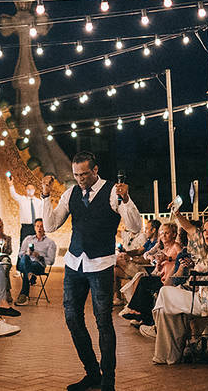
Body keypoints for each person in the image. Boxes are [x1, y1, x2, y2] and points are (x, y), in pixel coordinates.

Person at [42, 151, 143, 391]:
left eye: (84, 174)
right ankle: (92, 373)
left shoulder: (112, 192)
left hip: (101, 265)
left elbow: (135, 226)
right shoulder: (71, 193)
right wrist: (45, 197)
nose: (80, 179)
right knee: (72, 319)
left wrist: (126, 199)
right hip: (74, 264)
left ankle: (108, 380)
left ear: (95, 170)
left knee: (103, 323)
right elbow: (50, 225)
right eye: (76, 174)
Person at [140, 213, 208, 367]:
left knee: (165, 293)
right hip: (201, 297)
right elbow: (192, 231)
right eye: (205, 230)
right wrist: (177, 214)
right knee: (166, 311)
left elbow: (202, 267)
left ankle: (159, 333)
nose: (205, 233)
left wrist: (195, 265)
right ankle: (168, 357)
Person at [119, 223, 181, 326]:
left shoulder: (176, 246)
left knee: (144, 281)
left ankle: (137, 311)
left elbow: (182, 258)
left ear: (174, 234)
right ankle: (142, 316)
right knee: (143, 280)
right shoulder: (163, 248)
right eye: (161, 233)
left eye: (166, 233)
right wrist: (157, 262)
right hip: (161, 276)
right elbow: (147, 255)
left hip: (170, 280)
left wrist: (168, 259)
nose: (163, 235)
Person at [114, 220, 161, 305]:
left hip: (146, 269)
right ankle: (118, 298)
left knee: (117, 260)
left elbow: (148, 260)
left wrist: (130, 259)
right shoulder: (149, 241)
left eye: (147, 228)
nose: (145, 231)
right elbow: (139, 251)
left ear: (153, 230)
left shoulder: (157, 243)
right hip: (139, 267)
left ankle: (105, 297)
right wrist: (126, 253)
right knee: (114, 270)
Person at [15, 218, 57, 306]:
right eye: (37, 226)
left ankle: (24, 294)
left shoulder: (50, 243)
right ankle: (30, 275)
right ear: (34, 227)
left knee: (27, 267)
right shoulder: (28, 239)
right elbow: (20, 254)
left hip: (38, 265)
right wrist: (27, 253)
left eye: (41, 226)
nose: (39, 228)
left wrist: (39, 256)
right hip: (25, 262)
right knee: (26, 258)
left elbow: (51, 261)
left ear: (45, 228)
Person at [7, 174, 43, 247]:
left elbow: (41, 214)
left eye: (32, 189)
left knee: (36, 246)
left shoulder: (39, 201)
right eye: (28, 189)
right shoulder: (22, 199)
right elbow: (14, 194)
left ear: (34, 190)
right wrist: (11, 184)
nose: (30, 191)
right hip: (26, 227)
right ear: (26, 190)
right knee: (23, 246)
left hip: (36, 227)